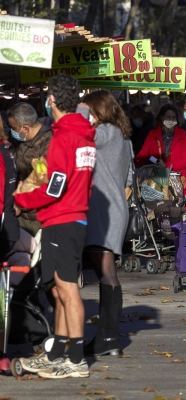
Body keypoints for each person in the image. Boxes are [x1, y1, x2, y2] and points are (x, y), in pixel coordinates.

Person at [14, 74, 96, 378]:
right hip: (73, 217)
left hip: (63, 218)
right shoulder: (83, 136)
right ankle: (60, 350)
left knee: (67, 288)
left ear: (51, 101)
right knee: (60, 289)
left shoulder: (65, 137)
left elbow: (54, 187)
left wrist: (23, 200)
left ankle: (75, 359)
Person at [79, 90, 133, 356]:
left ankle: (109, 337)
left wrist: (77, 109)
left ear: (98, 110)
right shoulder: (121, 135)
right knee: (105, 271)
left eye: (89, 109)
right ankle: (107, 336)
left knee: (107, 271)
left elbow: (83, 132)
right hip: (112, 207)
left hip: (104, 208)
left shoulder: (107, 132)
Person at [7, 102, 54, 236]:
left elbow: (40, 179)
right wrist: (10, 149)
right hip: (22, 213)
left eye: (13, 128)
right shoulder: (25, 140)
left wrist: (19, 205)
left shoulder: (48, 144)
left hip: (36, 216)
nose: (12, 131)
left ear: (26, 128)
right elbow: (20, 162)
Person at [135, 104, 186, 197]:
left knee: (177, 209)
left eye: (173, 117)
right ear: (162, 118)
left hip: (177, 180)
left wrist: (166, 166)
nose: (171, 120)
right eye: (168, 117)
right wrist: (133, 164)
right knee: (159, 208)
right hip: (157, 180)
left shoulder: (183, 134)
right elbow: (143, 154)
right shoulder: (152, 134)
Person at [0, 141, 19, 372]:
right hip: (7, 229)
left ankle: (2, 353)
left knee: (2, 294)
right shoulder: (6, 153)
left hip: (3, 230)